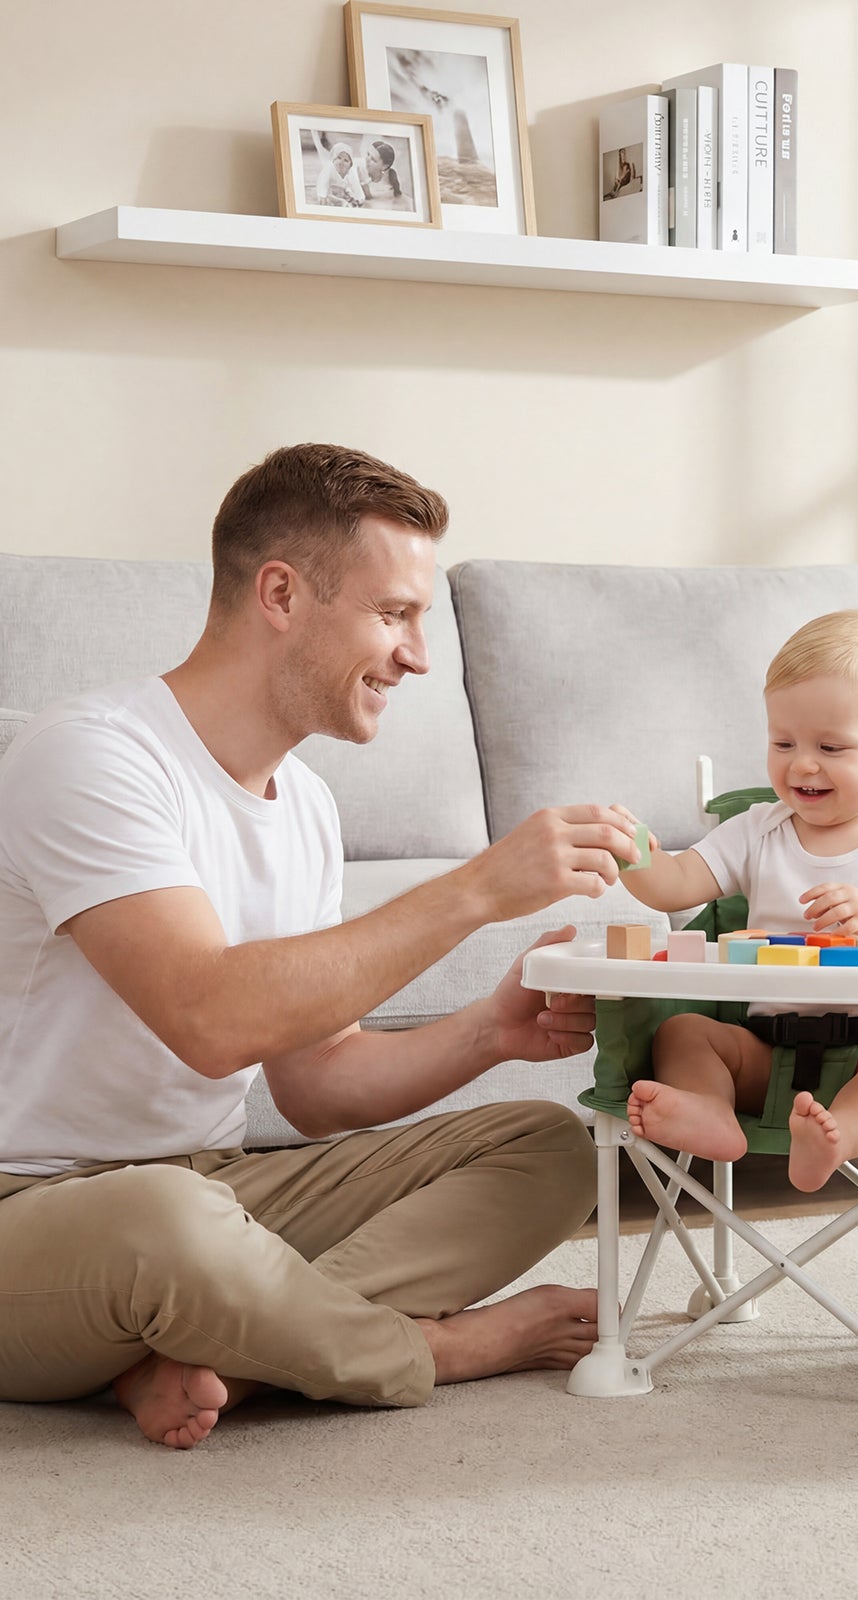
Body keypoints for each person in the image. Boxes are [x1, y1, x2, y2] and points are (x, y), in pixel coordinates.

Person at [0, 443, 646, 1450]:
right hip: (35, 1209)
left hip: (214, 1189)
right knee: (171, 1221)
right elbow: (211, 1019)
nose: (418, 656)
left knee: (548, 1145)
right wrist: (476, 889)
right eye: (394, 614)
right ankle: (427, 1349)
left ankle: (227, 1356)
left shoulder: (303, 803)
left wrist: (489, 1032)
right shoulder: (91, 755)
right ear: (280, 594)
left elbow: (314, 1084)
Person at [620, 609, 858, 1192]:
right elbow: (675, 882)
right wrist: (633, 854)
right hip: (768, 1051)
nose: (802, 763)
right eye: (783, 742)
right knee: (682, 1032)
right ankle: (710, 1110)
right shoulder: (757, 830)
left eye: (831, 746)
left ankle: (840, 1137)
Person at [314, 143, 365, 207]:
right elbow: (323, 183)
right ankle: (342, 202)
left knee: (349, 194)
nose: (341, 162)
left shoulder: (351, 172)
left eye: (346, 160)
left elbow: (357, 187)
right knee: (329, 198)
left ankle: (345, 201)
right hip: (328, 190)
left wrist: (359, 199)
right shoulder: (329, 168)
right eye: (339, 158)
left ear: (350, 165)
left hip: (342, 189)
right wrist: (323, 197)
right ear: (334, 160)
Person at [363, 140, 405, 207]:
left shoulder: (385, 191)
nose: (367, 159)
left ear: (385, 166)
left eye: (373, 159)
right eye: (368, 154)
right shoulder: (366, 179)